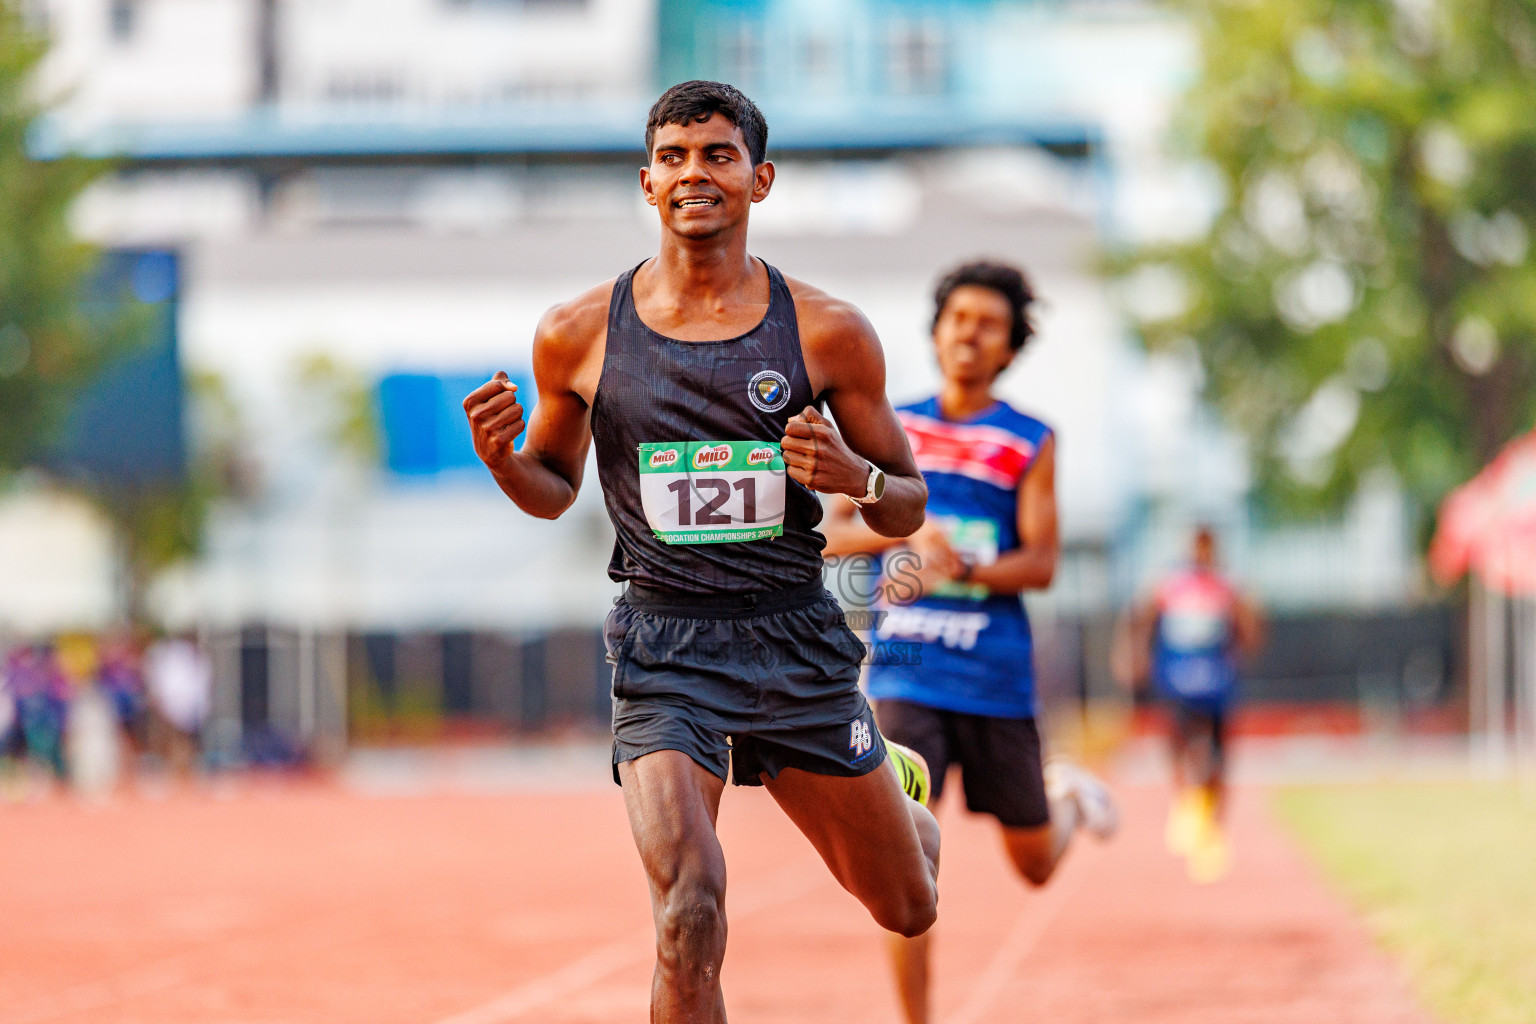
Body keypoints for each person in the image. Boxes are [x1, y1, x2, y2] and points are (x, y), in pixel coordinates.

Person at [462, 81, 940, 1022]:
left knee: (909, 905)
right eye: (673, 158)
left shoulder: (829, 331)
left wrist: (854, 476)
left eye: (718, 155)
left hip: (794, 638)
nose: (694, 174)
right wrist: (504, 462)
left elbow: (906, 505)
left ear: (760, 179)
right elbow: (553, 488)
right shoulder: (577, 333)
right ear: (647, 182)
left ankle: (893, 784)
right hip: (664, 646)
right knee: (689, 912)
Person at [820, 260, 1118, 1024]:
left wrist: (966, 566)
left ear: (1010, 347)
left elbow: (1042, 564)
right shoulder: (892, 428)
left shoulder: (1030, 439)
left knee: (1035, 866)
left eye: (988, 325)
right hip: (907, 675)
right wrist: (909, 534)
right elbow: (831, 534)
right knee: (903, 857)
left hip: (995, 679)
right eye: (958, 319)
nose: (969, 335)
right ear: (936, 331)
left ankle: (1068, 797)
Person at [1114, 525, 1263, 882]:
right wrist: (1133, 654)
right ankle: (1185, 803)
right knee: (1178, 740)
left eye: (1208, 548)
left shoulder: (1228, 585)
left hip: (1217, 679)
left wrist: (1242, 639)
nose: (1202, 554)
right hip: (1178, 677)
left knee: (1218, 753)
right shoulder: (1170, 583)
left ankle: (1214, 824)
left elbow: (1251, 627)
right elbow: (1141, 616)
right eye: (1198, 547)